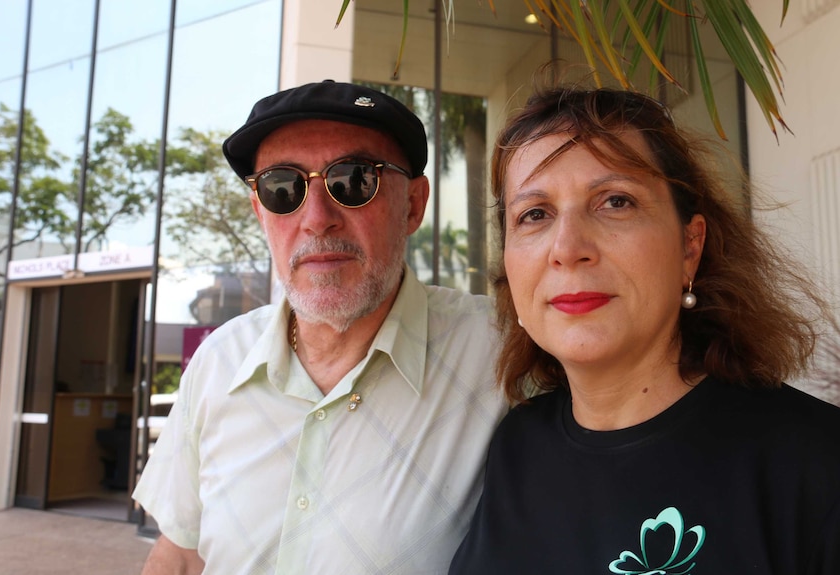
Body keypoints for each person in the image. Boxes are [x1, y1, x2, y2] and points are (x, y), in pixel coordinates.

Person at [449, 87, 840, 574]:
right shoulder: (515, 446)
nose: (567, 247)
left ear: (689, 248)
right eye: (534, 214)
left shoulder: (815, 465)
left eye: (615, 201)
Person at [133, 80, 508, 574]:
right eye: (282, 187)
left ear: (413, 205)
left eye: (353, 180)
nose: (316, 219)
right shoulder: (218, 361)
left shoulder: (502, 350)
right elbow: (180, 554)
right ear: (260, 211)